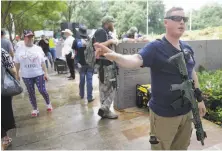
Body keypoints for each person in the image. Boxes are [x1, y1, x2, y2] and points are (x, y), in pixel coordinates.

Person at [94, 7, 207, 150]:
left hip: (186, 112)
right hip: (163, 116)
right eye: (177, 18)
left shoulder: (187, 48)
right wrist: (114, 56)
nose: (182, 22)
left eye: (184, 19)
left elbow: (192, 73)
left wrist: (200, 100)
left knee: (182, 148)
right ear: (166, 22)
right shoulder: (156, 47)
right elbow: (134, 60)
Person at [14, 30, 52, 117]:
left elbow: (42, 62)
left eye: (31, 36)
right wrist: (16, 74)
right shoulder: (19, 49)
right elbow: (17, 63)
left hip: (39, 73)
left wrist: (45, 73)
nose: (30, 38)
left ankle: (48, 103)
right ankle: (35, 109)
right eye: (28, 37)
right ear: (24, 37)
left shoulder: (38, 48)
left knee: (42, 90)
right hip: (26, 75)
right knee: (31, 92)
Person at [94, 16, 119, 119]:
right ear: (107, 23)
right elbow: (98, 46)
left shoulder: (104, 32)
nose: (113, 25)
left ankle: (104, 110)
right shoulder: (101, 31)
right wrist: (111, 41)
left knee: (104, 88)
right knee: (113, 87)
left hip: (103, 65)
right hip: (105, 65)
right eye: (112, 23)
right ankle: (105, 108)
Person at [72, 25, 94, 103]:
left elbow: (74, 51)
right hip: (90, 63)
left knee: (81, 80)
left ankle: (81, 94)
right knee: (89, 80)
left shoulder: (76, 41)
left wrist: (76, 61)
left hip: (81, 64)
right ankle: (89, 97)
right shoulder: (91, 40)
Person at [1, 48, 18, 150]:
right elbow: (13, 69)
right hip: (3, 89)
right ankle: (5, 138)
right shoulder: (1, 51)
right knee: (4, 113)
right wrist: (15, 80)